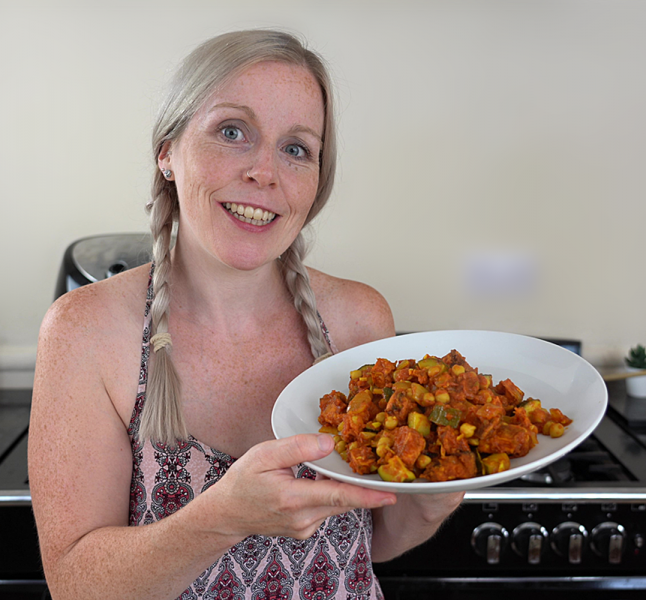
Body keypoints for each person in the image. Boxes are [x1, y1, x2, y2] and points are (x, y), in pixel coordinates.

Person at [29, 29, 464, 600]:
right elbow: (74, 585)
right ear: (168, 152)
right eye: (232, 132)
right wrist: (224, 517)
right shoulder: (85, 331)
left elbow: (369, 540)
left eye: (296, 148)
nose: (266, 172)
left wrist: (432, 502)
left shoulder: (359, 319)